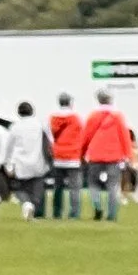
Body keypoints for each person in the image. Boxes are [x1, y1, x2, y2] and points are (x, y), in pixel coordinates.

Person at [81, 92, 134, 223]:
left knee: (93, 184)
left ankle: (97, 206)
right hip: (114, 156)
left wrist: (82, 153)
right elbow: (124, 137)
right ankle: (111, 214)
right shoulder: (118, 117)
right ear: (111, 100)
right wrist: (128, 155)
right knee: (113, 186)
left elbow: (86, 136)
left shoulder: (93, 116)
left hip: (95, 155)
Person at [4, 98, 50, 216]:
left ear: (19, 112)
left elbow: (8, 147)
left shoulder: (15, 127)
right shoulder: (40, 125)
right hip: (38, 162)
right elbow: (49, 142)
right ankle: (35, 208)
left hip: (20, 163)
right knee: (37, 190)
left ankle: (26, 203)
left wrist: (7, 163)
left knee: (20, 189)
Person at [46, 93, 87, 222]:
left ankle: (56, 212)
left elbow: (49, 138)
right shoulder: (76, 119)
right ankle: (74, 213)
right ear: (70, 103)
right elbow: (82, 137)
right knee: (75, 188)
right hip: (73, 157)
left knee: (58, 188)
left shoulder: (52, 118)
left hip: (58, 156)